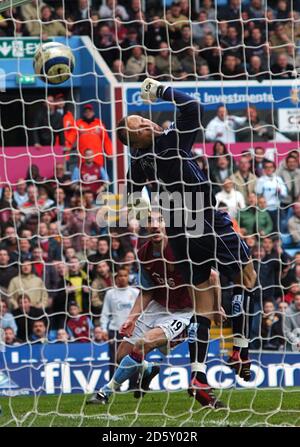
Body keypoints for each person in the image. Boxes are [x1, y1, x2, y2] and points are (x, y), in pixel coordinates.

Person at [117, 78, 258, 382]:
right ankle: (240, 348)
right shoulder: (168, 142)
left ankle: (198, 376)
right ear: (135, 138)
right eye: (140, 124)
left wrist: (144, 215)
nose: (147, 122)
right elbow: (194, 105)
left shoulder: (139, 160)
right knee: (247, 280)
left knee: (204, 303)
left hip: (179, 233)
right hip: (205, 219)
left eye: (143, 118)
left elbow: (131, 191)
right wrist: (159, 90)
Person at [87, 211, 223, 408]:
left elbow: (213, 277)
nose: (155, 225)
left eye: (160, 220)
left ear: (166, 225)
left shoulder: (182, 249)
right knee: (121, 355)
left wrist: (216, 307)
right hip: (158, 306)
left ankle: (104, 393)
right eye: (150, 220)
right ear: (145, 226)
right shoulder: (143, 253)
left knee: (143, 344)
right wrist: (132, 318)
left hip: (184, 311)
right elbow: (146, 292)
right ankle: (149, 369)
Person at [99, 267, 139, 381]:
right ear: (116, 278)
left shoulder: (135, 292)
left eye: (125, 276)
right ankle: (113, 386)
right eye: (120, 276)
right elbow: (105, 313)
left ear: (128, 277)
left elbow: (141, 312)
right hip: (115, 331)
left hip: (132, 332)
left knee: (134, 358)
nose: (122, 278)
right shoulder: (110, 293)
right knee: (114, 359)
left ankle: (134, 385)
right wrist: (103, 329)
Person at [76, 103, 113, 168]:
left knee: (100, 176)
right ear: (83, 113)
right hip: (83, 158)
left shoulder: (99, 124)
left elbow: (106, 139)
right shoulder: (78, 123)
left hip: (97, 158)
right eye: (86, 112)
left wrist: (109, 152)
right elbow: (72, 135)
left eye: (90, 111)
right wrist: (67, 147)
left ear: (93, 113)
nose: (88, 113)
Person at [256, 160, 288, 232]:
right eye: (266, 167)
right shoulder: (260, 180)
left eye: (271, 167)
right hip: (265, 210)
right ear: (263, 169)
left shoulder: (278, 179)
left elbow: (285, 194)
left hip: (277, 208)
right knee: (268, 229)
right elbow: (258, 193)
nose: (269, 169)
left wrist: (280, 191)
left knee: (279, 229)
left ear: (274, 168)